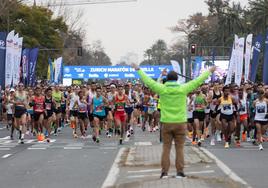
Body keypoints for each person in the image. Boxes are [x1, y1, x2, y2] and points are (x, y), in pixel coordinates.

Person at [132, 63, 216, 179]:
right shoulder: (183, 88)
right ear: (177, 79)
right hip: (180, 123)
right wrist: (210, 71)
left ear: (167, 79)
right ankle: (180, 172)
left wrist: (138, 69)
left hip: (166, 123)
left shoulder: (162, 89)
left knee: (166, 148)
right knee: (179, 148)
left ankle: (164, 173)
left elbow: (149, 81)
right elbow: (198, 81)